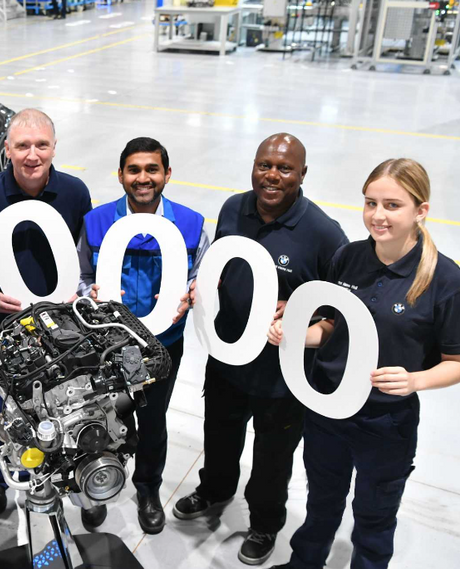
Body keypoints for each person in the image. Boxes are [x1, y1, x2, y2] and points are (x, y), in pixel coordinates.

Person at [267, 159, 460, 569]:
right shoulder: (348, 257)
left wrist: (415, 379)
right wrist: (294, 336)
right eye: (370, 203)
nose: (377, 216)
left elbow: (457, 363)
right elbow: (332, 327)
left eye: (392, 205)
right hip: (328, 409)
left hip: (385, 423)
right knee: (321, 501)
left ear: (421, 210)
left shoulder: (446, 281)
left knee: (374, 519)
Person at [172, 133, 348, 566]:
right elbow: (219, 263)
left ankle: (265, 522)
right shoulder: (234, 208)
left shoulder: (325, 235)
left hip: (283, 376)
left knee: (272, 461)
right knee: (219, 437)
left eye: (284, 168)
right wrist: (204, 284)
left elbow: (337, 311)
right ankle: (214, 490)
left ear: (302, 175)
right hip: (228, 358)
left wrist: (304, 314)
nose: (271, 175)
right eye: (264, 164)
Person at [77, 137, 209, 535]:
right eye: (134, 170)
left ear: (167, 174)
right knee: (101, 417)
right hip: (106, 347)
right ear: (120, 175)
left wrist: (191, 292)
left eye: (152, 169)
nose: (143, 178)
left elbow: (201, 277)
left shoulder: (192, 225)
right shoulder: (96, 222)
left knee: (152, 420)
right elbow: (82, 277)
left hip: (162, 346)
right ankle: (94, 487)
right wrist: (90, 294)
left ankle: (147, 489)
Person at [0, 107, 92, 520]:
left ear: (54, 147)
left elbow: (83, 256)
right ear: (8, 149)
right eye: (23, 145)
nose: (33, 154)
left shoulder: (75, 193)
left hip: (59, 329)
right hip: (3, 329)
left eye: (42, 144)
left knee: (68, 408)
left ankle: (77, 484)